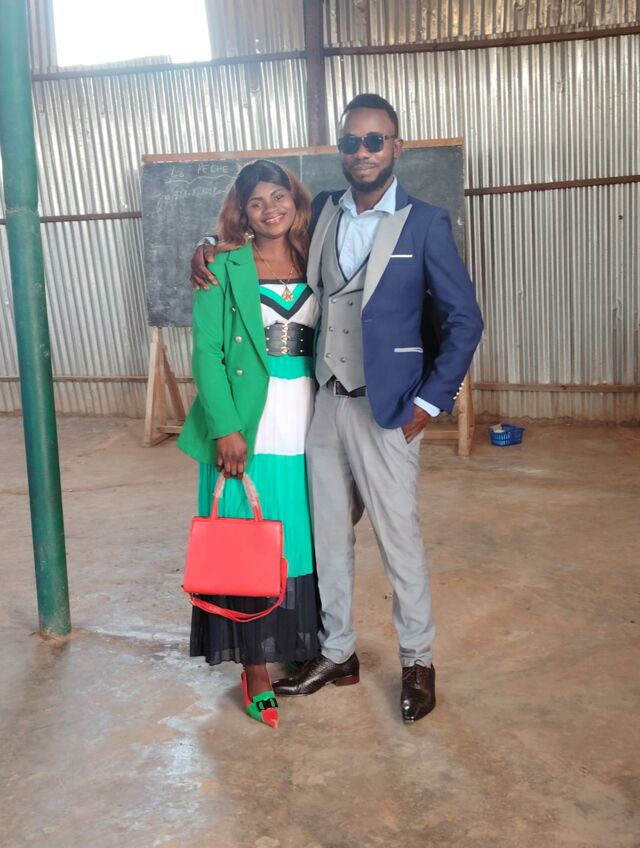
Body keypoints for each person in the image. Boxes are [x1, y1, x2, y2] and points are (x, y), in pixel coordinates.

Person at [190, 94, 484, 723]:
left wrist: (430, 402)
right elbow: (251, 234)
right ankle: (338, 652)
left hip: (389, 409)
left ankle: (418, 660)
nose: (363, 152)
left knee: (398, 538)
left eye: (375, 141)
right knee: (326, 536)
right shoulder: (320, 211)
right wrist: (207, 243)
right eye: (352, 142)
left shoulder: (426, 223)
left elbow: (465, 320)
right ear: (341, 151)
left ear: (396, 147)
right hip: (323, 405)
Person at [178, 159, 320, 728]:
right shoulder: (222, 265)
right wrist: (226, 428)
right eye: (256, 202)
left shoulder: (316, 254)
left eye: (278, 196)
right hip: (246, 422)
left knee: (295, 539)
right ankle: (255, 669)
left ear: (295, 199)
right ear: (242, 212)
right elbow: (207, 353)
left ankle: (294, 642)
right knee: (244, 542)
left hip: (308, 418)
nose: (270, 209)